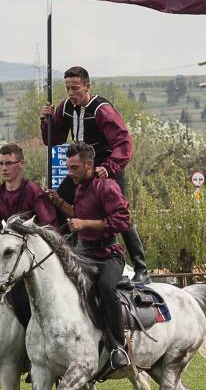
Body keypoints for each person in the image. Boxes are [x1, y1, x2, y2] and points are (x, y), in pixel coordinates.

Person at [41, 65, 149, 283]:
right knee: (56, 204)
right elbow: (54, 140)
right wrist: (47, 122)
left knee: (119, 215)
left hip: (104, 166)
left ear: (87, 86)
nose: (71, 93)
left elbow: (123, 142)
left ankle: (141, 268)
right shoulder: (65, 108)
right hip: (81, 168)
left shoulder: (102, 110)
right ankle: (71, 256)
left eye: (75, 88)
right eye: (68, 88)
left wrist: (109, 167)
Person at [47, 142, 132, 371]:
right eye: (68, 167)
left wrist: (84, 224)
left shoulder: (107, 187)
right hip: (84, 253)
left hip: (108, 255)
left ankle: (118, 347)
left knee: (105, 288)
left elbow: (123, 221)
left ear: (88, 164)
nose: (69, 173)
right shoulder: (80, 188)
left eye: (74, 168)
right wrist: (58, 202)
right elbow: (78, 214)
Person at [0, 143, 58, 328]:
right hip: (7, 260)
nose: (4, 168)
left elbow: (50, 227)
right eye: (1, 164)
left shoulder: (33, 192)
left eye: (9, 163)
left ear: (21, 163)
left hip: (34, 261)